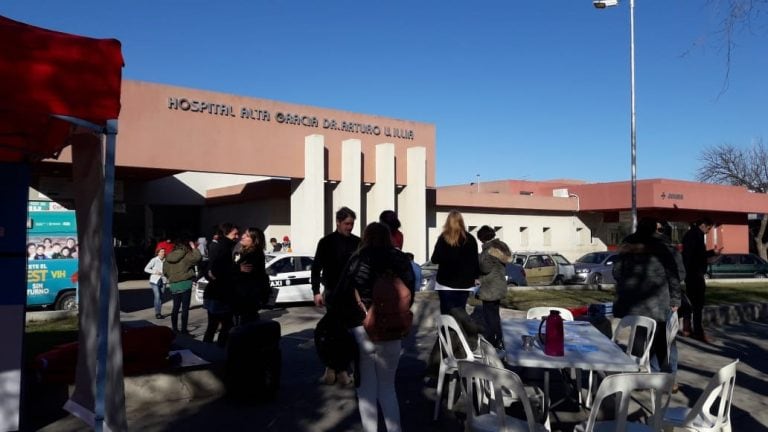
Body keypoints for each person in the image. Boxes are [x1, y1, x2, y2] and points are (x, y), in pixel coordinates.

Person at [331, 222, 415, 432]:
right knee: (388, 388)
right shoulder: (400, 258)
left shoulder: (358, 259)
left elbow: (340, 294)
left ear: (366, 237)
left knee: (366, 390)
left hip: (362, 328)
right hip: (392, 330)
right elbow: (410, 292)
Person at [612, 217, 681, 373]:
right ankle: (665, 376)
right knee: (661, 341)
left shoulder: (627, 245)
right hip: (658, 302)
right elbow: (673, 275)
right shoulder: (662, 246)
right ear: (653, 229)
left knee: (638, 337)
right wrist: (676, 298)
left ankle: (634, 371)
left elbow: (616, 272)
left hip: (632, 302)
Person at [311, 206, 361, 385]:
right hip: (332, 293)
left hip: (352, 294)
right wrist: (316, 291)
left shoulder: (358, 242)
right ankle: (334, 368)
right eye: (347, 223)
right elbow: (316, 268)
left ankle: (338, 369)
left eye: (352, 224)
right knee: (332, 332)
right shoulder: (326, 242)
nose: (350, 227)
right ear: (338, 222)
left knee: (348, 334)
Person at [430, 210, 480, 314]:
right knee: (460, 312)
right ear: (461, 222)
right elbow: (475, 261)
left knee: (446, 312)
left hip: (445, 282)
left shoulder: (443, 238)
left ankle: (446, 330)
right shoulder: (470, 239)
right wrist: (476, 277)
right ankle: (458, 329)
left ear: (448, 222)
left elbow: (434, 259)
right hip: (465, 283)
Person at [682, 217, 723, 343]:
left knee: (689, 302)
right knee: (698, 304)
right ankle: (698, 332)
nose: (709, 232)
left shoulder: (689, 234)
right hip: (696, 274)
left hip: (690, 273)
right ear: (704, 225)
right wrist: (713, 253)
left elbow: (691, 254)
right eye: (709, 228)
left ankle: (687, 328)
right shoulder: (697, 236)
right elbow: (698, 255)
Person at [476, 225, 512, 350]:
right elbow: (508, 258)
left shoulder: (489, 249)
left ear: (481, 238)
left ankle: (493, 342)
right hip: (499, 285)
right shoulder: (501, 245)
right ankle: (499, 339)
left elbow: (484, 267)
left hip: (490, 287)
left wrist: (477, 259)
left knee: (490, 316)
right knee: (495, 314)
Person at [203, 223, 239, 347]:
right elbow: (214, 269)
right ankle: (217, 350)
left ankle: (207, 350)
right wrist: (237, 268)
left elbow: (210, 270)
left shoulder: (225, 247)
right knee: (227, 325)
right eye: (235, 234)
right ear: (225, 234)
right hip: (219, 295)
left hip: (216, 293)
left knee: (214, 326)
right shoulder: (222, 248)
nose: (237, 236)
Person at [231, 227, 271, 324]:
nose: (243, 236)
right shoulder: (245, 251)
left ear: (254, 241)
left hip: (247, 299)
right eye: (244, 233)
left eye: (247, 235)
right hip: (246, 298)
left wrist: (235, 268)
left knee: (245, 327)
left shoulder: (253, 254)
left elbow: (243, 274)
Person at [163, 237, 202, 334]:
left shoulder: (169, 256)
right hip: (185, 283)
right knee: (185, 308)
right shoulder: (187, 255)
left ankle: (174, 328)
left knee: (175, 307)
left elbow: (165, 271)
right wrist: (194, 247)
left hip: (174, 284)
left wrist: (172, 277)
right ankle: (184, 329)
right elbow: (198, 258)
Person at [144, 248, 167, 319]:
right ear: (158, 253)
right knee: (157, 296)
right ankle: (158, 313)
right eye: (162, 251)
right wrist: (155, 272)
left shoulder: (166, 260)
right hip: (154, 280)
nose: (163, 253)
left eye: (164, 251)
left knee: (160, 297)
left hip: (163, 280)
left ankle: (159, 312)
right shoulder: (154, 260)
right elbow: (146, 269)